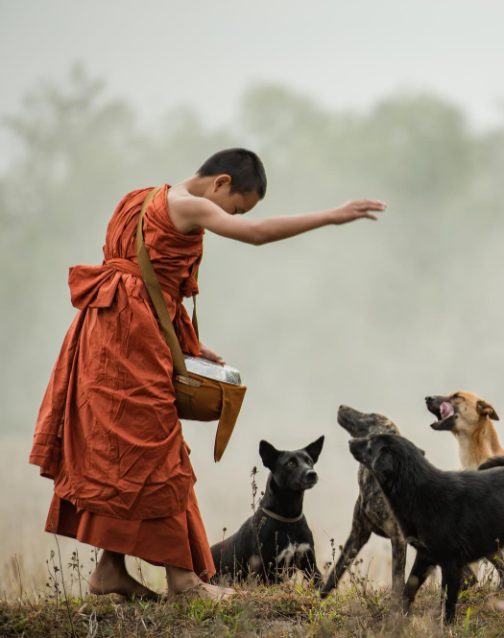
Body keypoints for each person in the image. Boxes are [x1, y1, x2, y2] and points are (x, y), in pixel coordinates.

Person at [29, 148, 386, 600]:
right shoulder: (187, 204)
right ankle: (183, 582)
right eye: (235, 208)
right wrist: (332, 216)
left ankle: (110, 570)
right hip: (129, 347)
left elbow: (142, 285)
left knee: (126, 457)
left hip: (103, 338)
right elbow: (256, 235)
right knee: (161, 458)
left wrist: (186, 346)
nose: (231, 218)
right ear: (220, 183)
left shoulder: (137, 198)